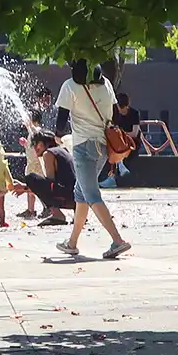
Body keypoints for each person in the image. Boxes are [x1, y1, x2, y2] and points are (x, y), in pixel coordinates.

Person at [53, 60, 132, 259]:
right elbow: (115, 116)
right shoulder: (106, 84)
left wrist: (57, 135)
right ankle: (72, 243)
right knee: (81, 193)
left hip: (83, 146)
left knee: (91, 194)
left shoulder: (70, 86)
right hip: (103, 147)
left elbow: (62, 117)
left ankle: (117, 240)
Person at [11, 130, 75, 226]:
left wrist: (25, 187)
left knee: (31, 178)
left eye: (36, 144)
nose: (35, 148)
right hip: (77, 200)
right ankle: (78, 214)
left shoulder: (48, 154)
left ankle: (57, 215)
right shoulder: (63, 151)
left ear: (44, 143)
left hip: (68, 198)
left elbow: (51, 185)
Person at [99, 92, 141, 188]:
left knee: (116, 142)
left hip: (131, 141)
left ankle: (114, 176)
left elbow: (135, 133)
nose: (121, 112)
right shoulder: (115, 114)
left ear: (127, 106)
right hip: (119, 141)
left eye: (123, 109)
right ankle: (117, 170)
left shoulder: (134, 113)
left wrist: (121, 134)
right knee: (113, 143)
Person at [16, 109, 46, 218]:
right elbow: (33, 145)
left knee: (39, 188)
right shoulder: (31, 132)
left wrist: (29, 125)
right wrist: (25, 144)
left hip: (37, 164)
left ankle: (46, 207)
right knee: (30, 186)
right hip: (31, 163)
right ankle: (30, 210)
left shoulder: (36, 130)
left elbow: (36, 137)